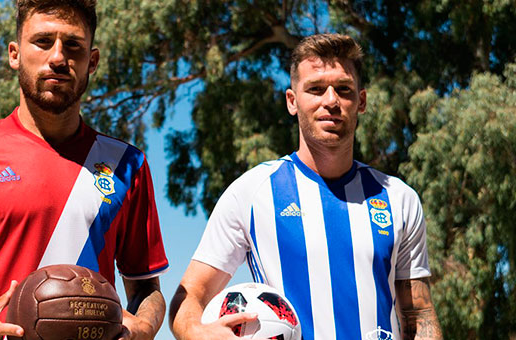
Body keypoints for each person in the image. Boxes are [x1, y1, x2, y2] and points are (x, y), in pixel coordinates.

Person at [0, 1, 169, 339]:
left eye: (73, 45)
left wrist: (144, 326)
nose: (57, 58)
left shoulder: (127, 165)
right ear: (14, 54)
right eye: (42, 41)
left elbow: (145, 289)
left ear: (91, 61)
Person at [169, 33, 442, 340]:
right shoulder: (250, 193)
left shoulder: (398, 198)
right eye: (315, 89)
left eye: (343, 89)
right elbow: (190, 295)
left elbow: (418, 315)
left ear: (361, 101)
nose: (331, 100)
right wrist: (199, 334)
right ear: (292, 101)